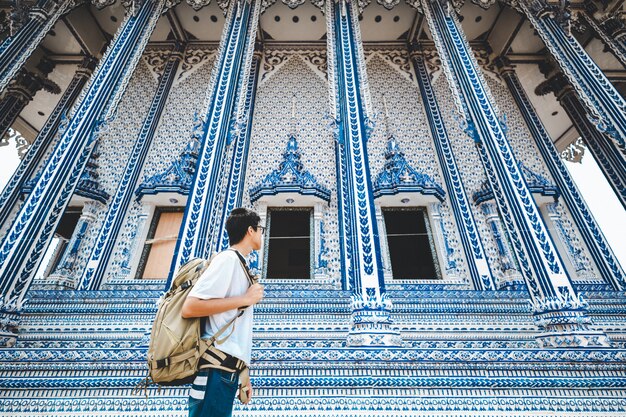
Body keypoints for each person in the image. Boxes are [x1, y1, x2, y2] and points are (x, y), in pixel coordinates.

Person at [181, 208, 265, 417]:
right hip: (214, 370)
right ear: (250, 231)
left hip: (226, 369)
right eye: (261, 229)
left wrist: (243, 373)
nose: (262, 234)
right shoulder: (227, 259)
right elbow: (190, 307)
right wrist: (245, 299)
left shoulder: (239, 263)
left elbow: (232, 326)